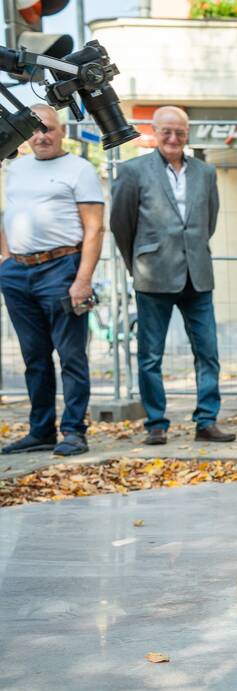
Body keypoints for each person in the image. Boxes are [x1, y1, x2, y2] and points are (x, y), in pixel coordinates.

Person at [110, 106, 236, 446]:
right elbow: (121, 224)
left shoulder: (206, 172)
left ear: (187, 134)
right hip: (153, 276)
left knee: (208, 351)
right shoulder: (133, 170)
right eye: (166, 131)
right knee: (150, 354)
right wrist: (138, 261)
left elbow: (208, 222)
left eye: (180, 132)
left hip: (198, 275)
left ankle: (206, 421)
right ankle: (156, 423)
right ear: (154, 132)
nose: (173, 138)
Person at [0, 105, 103, 457]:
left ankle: (74, 431)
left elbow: (94, 228)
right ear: (27, 134)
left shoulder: (80, 169)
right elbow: (8, 214)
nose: (42, 135)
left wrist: (83, 280)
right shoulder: (16, 167)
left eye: (49, 129)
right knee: (34, 357)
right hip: (17, 273)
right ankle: (40, 431)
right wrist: (6, 258)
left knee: (71, 356)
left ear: (61, 132)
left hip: (62, 269)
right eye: (35, 129)